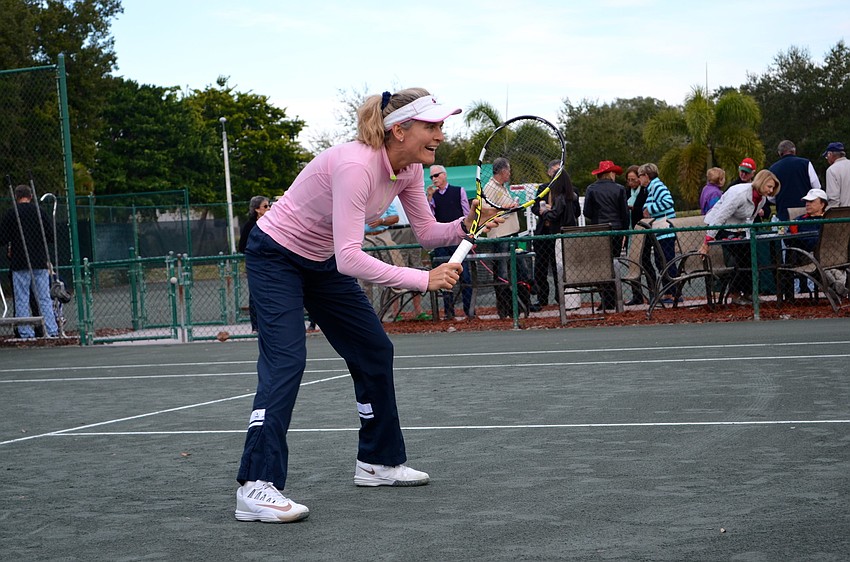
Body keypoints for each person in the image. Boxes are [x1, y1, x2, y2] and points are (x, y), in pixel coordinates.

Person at [233, 88, 503, 524]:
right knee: (286, 362)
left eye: (440, 125)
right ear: (399, 130)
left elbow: (428, 233)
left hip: (321, 262)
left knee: (374, 349)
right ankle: (254, 486)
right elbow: (350, 258)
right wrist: (424, 280)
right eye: (431, 126)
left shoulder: (410, 169)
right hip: (276, 256)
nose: (440, 134)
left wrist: (465, 225)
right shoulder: (356, 166)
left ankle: (377, 462)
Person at [700, 170, 782, 305]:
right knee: (741, 257)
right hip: (721, 226)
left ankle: (749, 293)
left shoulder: (761, 199)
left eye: (773, 188)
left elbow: (749, 218)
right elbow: (721, 216)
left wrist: (745, 232)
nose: (771, 190)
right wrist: (708, 240)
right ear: (761, 182)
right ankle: (735, 294)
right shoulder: (739, 194)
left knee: (750, 257)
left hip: (738, 229)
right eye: (769, 186)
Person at [0, 184, 59, 338]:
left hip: (20, 262)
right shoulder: (39, 211)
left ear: (16, 196)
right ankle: (51, 330)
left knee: (21, 298)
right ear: (30, 196)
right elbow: (51, 236)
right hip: (39, 261)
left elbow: (3, 237)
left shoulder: (12, 214)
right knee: (44, 297)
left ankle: (25, 332)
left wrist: (13, 242)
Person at [530, 161, 577, 310]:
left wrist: (553, 211)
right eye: (554, 171)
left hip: (559, 233)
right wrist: (544, 212)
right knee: (541, 268)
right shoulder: (543, 189)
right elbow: (534, 208)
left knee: (559, 267)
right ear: (549, 172)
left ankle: (561, 297)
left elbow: (576, 212)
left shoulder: (569, 192)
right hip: (544, 233)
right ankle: (542, 298)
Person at [427, 165, 472, 318]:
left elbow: (467, 214)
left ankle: (469, 311)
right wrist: (429, 198)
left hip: (459, 240)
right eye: (431, 177)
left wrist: (470, 236)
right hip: (441, 242)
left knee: (465, 276)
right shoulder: (432, 196)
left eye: (436, 175)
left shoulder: (459, 191)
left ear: (444, 175)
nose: (434, 179)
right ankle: (448, 313)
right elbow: (428, 218)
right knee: (444, 278)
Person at [583, 160, 629, 309]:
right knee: (614, 262)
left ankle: (606, 298)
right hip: (616, 230)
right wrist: (624, 232)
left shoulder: (591, 188)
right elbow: (624, 213)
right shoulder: (620, 189)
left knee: (601, 264)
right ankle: (614, 298)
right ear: (610, 173)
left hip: (599, 230)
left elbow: (587, 212)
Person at [787, 187, 847, 297]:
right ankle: (838, 286)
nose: (807, 204)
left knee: (836, 265)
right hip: (809, 256)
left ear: (822, 204)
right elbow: (789, 239)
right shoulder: (798, 221)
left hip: (833, 255)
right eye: (806, 201)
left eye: (811, 201)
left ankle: (837, 286)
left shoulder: (832, 220)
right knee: (829, 267)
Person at [639, 163, 680, 305]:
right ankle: (668, 291)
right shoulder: (651, 188)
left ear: (646, 176)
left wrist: (650, 208)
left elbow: (668, 201)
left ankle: (674, 293)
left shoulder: (657, 186)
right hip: (659, 232)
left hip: (665, 230)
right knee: (660, 261)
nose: (639, 180)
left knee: (667, 261)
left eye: (640, 176)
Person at [238, 196, 270, 332]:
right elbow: (242, 246)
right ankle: (255, 326)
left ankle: (269, 325)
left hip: (271, 263)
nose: (268, 209)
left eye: (269, 206)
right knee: (255, 295)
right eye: (265, 206)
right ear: (257, 209)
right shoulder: (250, 226)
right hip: (256, 265)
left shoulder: (271, 222)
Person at [769, 140, 821, 220]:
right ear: (794, 151)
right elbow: (816, 188)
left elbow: (770, 196)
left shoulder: (773, 169)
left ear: (780, 153)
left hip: (784, 212)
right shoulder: (806, 164)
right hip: (805, 211)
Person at [823, 142, 850, 208]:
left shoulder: (832, 170)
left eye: (826, 157)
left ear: (830, 154)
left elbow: (833, 198)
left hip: (845, 212)